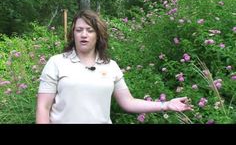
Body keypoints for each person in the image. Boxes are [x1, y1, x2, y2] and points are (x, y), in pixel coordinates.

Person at [36, 9, 193, 124]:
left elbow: (128, 102)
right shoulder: (56, 62)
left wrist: (166, 105)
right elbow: (43, 107)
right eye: (79, 30)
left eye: (89, 30)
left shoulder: (111, 66)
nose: (84, 34)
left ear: (98, 35)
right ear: (73, 34)